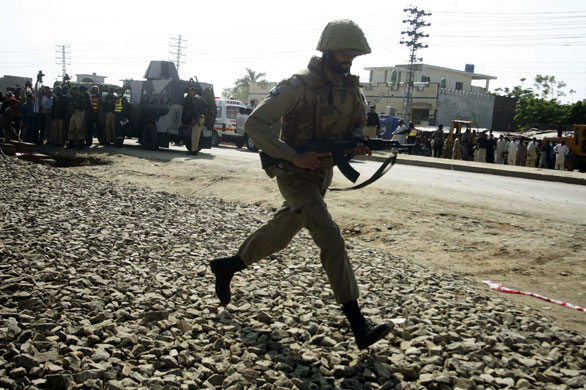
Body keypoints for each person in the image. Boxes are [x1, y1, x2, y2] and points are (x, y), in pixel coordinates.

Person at [210, 20, 391, 350]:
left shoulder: (352, 91)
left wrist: (358, 144)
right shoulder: (298, 85)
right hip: (295, 176)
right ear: (326, 50)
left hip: (321, 175)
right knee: (332, 239)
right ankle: (358, 324)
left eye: (354, 53)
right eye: (344, 51)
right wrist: (292, 156)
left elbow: (354, 131)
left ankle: (227, 267)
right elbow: (255, 124)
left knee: (278, 236)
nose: (349, 58)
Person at [182, 87, 209, 155]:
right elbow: (207, 106)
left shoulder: (195, 98)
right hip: (202, 117)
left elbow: (195, 110)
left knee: (194, 135)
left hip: (198, 118)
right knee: (197, 135)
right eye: (189, 91)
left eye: (191, 91)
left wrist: (195, 119)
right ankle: (195, 149)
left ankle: (193, 151)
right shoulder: (200, 98)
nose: (189, 93)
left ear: (194, 92)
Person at [67, 85, 89, 150]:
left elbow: (84, 105)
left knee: (79, 128)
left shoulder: (82, 97)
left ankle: (80, 143)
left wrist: (75, 105)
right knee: (71, 128)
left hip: (80, 112)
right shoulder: (73, 97)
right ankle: (72, 142)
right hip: (74, 113)